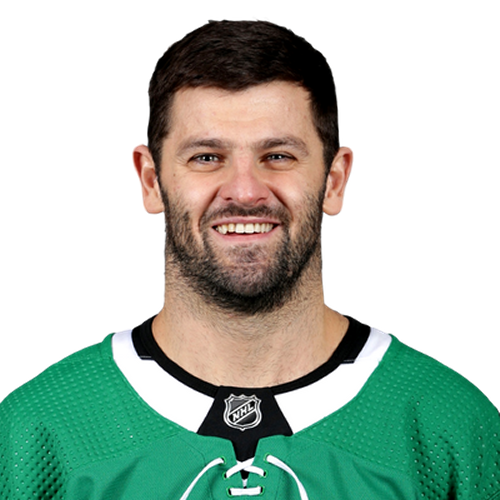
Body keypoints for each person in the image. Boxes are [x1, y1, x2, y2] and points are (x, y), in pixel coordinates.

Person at [1, 19, 499, 500]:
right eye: (206, 157)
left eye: (278, 156)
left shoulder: (452, 425)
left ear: (334, 180)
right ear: (150, 180)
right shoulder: (36, 432)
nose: (244, 191)